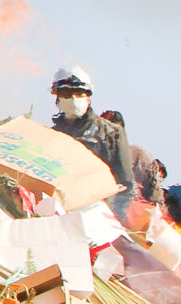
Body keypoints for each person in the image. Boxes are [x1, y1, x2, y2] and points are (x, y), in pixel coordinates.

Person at [45, 66, 157, 210]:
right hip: (62, 210)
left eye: (79, 93)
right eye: (66, 93)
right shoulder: (51, 136)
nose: (73, 98)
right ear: (57, 98)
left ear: (88, 97)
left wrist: (115, 216)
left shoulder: (111, 133)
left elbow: (125, 184)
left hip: (99, 210)